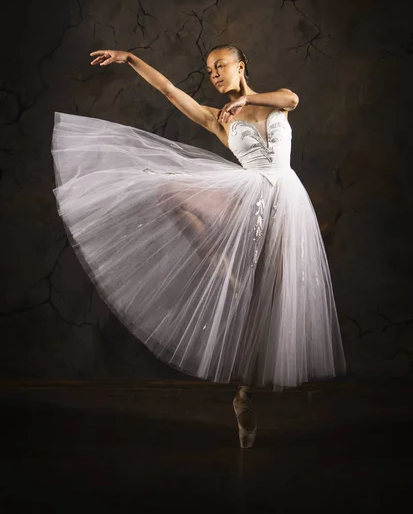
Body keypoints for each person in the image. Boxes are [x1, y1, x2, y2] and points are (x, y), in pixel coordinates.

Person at [51, 43, 346, 449]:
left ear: (240, 66)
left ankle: (244, 396)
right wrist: (131, 60)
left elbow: (291, 98)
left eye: (220, 66)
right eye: (209, 70)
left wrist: (247, 98)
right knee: (172, 193)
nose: (215, 74)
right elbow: (170, 90)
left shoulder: (274, 103)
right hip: (248, 195)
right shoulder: (217, 118)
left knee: (272, 301)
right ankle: (226, 268)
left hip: (289, 202)